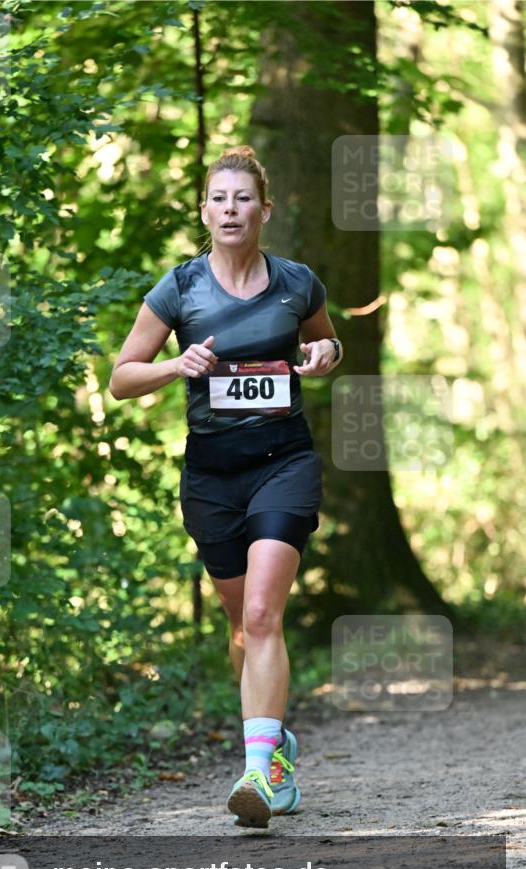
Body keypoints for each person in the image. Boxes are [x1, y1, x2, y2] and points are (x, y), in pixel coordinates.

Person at [109, 145, 343, 828]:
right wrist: (174, 365)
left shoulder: (296, 283)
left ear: (264, 210)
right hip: (211, 473)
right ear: (204, 211)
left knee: (265, 615)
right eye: (219, 198)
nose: (231, 209)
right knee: (242, 630)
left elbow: (324, 347)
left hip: (283, 463)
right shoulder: (179, 289)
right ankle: (276, 751)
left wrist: (325, 355)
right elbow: (122, 376)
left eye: (244, 198)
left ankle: (255, 775)